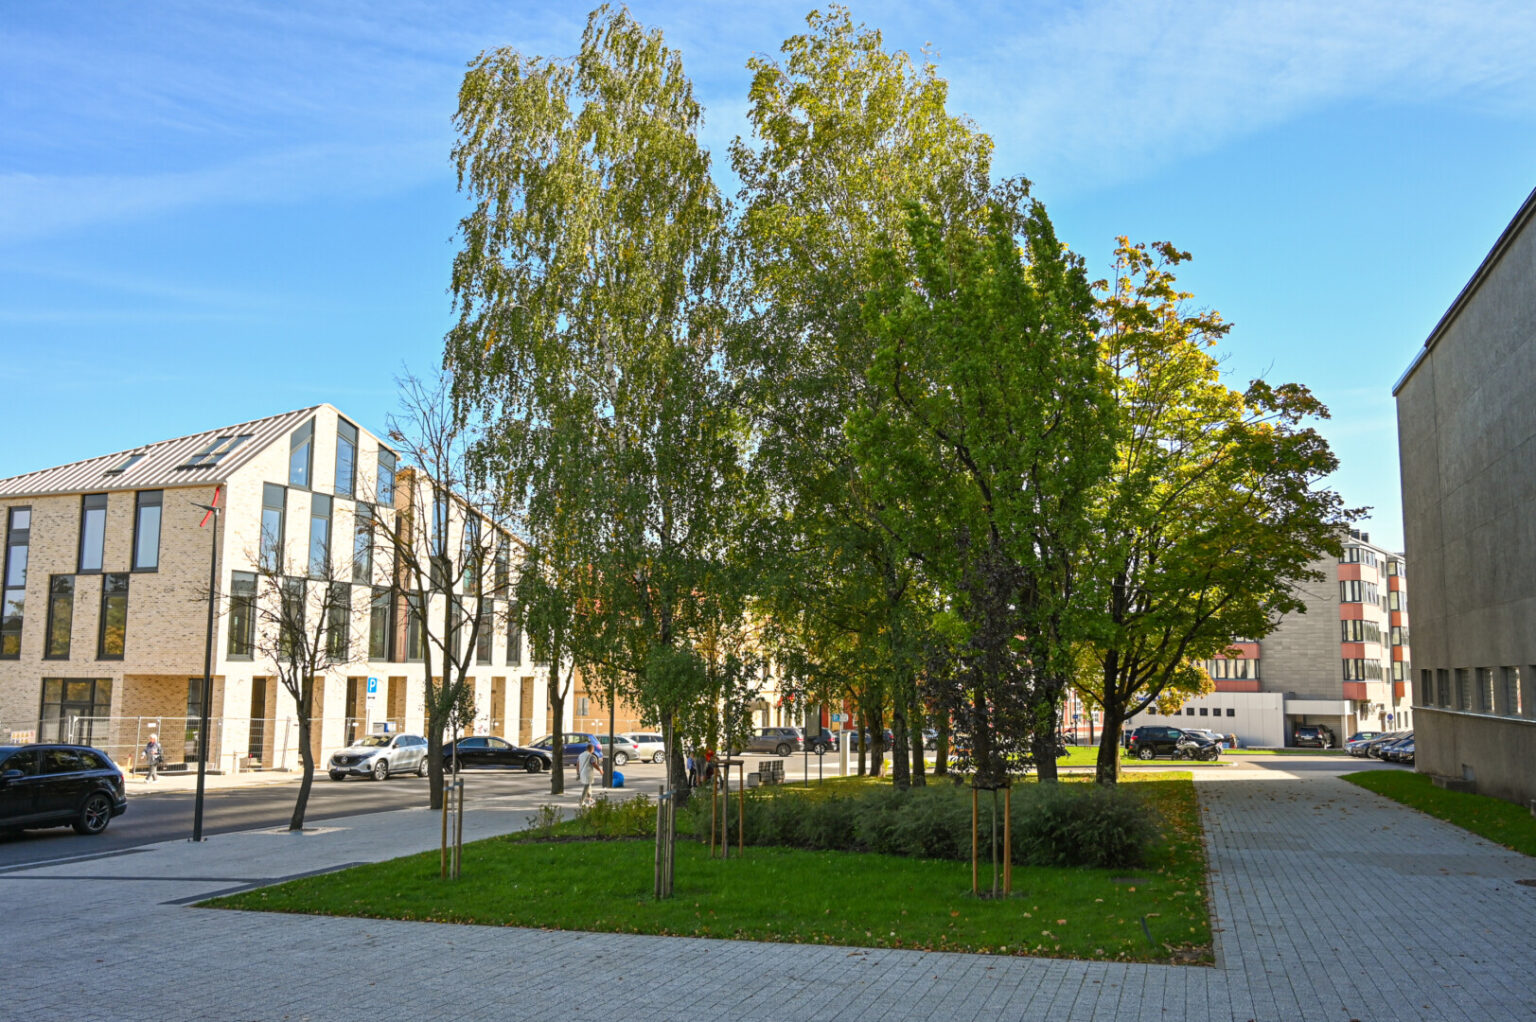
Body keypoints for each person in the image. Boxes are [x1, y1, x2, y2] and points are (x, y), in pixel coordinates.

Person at [577, 741, 600, 807]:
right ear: (591, 749)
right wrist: (600, 770)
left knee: (588, 786)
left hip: (582, 773)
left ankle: (590, 799)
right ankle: (581, 800)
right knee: (586, 786)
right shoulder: (590, 756)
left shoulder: (581, 755)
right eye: (593, 749)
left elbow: (577, 764)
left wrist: (578, 773)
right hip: (587, 773)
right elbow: (594, 764)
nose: (593, 751)